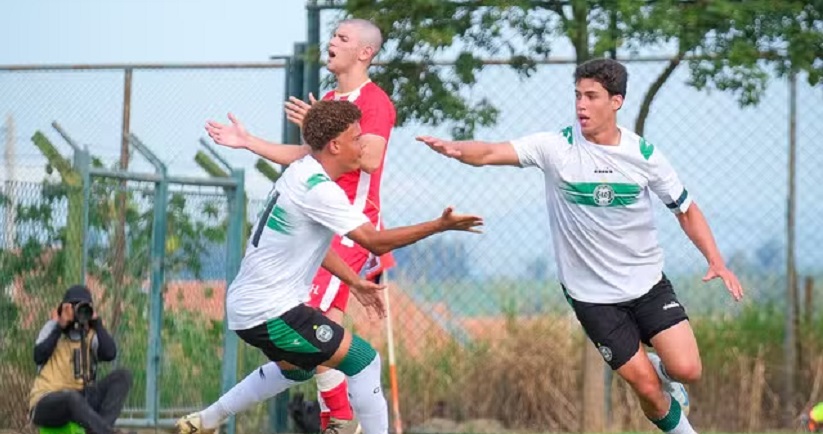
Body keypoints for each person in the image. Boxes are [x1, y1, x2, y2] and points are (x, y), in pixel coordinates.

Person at [417, 58, 744, 434]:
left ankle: (661, 369)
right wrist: (457, 150)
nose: (581, 105)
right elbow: (491, 152)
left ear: (616, 101)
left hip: (647, 284)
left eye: (592, 96)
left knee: (687, 369)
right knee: (648, 390)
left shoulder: (644, 156)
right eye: (577, 96)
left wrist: (716, 260)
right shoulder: (555, 147)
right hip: (592, 297)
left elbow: (686, 210)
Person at [178, 100, 482, 434]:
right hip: (272, 312)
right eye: (357, 137)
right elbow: (374, 241)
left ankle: (205, 421)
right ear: (335, 145)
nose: (363, 144)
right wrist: (440, 225)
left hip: (254, 307)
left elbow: (315, 248)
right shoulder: (319, 189)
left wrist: (354, 281)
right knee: (364, 361)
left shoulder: (302, 172)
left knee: (297, 371)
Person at [200, 18, 394, 433]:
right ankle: (212, 418)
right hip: (321, 224)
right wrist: (249, 141)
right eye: (333, 35)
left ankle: (340, 421)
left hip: (348, 227)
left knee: (315, 320)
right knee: (303, 356)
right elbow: (306, 155)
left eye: (342, 38)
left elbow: (371, 158)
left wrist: (330, 131)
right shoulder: (329, 98)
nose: (332, 42)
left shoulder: (374, 102)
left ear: (365, 53)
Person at [29, 284, 133, 434]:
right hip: (47, 402)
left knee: (123, 376)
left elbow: (110, 353)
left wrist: (97, 323)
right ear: (64, 308)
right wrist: (61, 325)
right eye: (73, 307)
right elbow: (38, 356)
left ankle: (99, 430)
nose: (77, 313)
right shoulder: (52, 328)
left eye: (82, 308)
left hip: (81, 400)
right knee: (70, 397)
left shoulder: (90, 334)